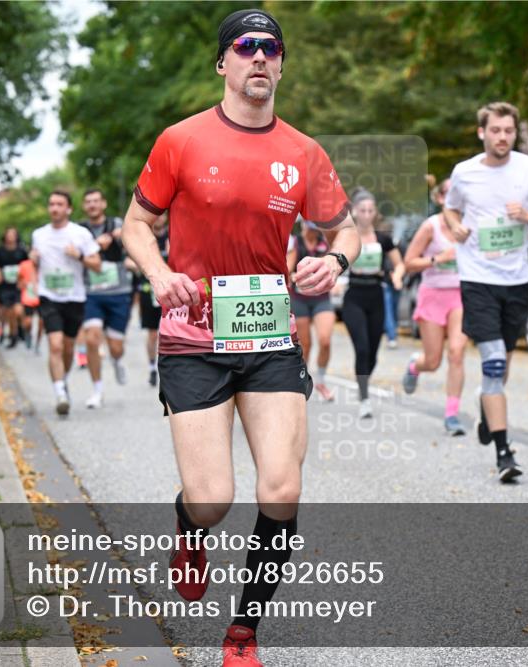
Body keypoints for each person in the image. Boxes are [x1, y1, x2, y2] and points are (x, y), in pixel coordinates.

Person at [121, 10, 358, 666]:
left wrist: (336, 260)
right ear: (223, 62)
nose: (259, 56)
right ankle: (188, 524)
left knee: (281, 489)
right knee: (212, 499)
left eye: (271, 48)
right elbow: (136, 224)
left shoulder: (304, 152)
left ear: (280, 64)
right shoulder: (181, 140)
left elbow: (347, 229)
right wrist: (160, 272)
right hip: (193, 336)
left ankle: (243, 633)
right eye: (245, 46)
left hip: (269, 334)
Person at [442, 101, 528, 482]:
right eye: (495, 130)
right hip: (477, 278)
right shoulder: (464, 173)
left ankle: (487, 406)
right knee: (493, 363)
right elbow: (450, 209)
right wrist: (455, 227)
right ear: (482, 132)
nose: (502, 137)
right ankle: (504, 453)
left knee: (502, 367)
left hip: (516, 280)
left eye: (509, 131)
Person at [401, 179, 469, 435]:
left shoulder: (469, 226)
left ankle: (452, 415)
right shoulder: (430, 227)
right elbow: (409, 262)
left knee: (457, 352)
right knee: (433, 361)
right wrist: (437, 259)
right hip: (433, 296)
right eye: (448, 193)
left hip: (460, 296)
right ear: (440, 199)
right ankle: (415, 366)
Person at [30, 191, 101, 416]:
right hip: (48, 296)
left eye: (60, 204)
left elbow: (97, 264)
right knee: (55, 345)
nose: (55, 208)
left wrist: (78, 255)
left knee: (69, 348)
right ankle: (60, 392)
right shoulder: (38, 235)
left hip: (74, 297)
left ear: (69, 209)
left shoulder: (80, 234)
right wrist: (33, 260)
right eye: (51, 204)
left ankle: (63, 379)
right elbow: (35, 265)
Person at [341, 190, 404, 419]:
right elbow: (333, 259)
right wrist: (334, 281)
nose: (367, 214)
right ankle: (364, 397)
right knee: (362, 348)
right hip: (354, 296)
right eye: (363, 210)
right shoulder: (346, 237)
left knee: (374, 352)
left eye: (370, 210)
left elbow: (400, 264)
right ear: (355, 212)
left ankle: (363, 382)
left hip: (376, 295)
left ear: (375, 212)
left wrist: (397, 276)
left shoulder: (382, 238)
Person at [80, 189, 133, 407]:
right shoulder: (80, 230)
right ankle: (97, 391)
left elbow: (134, 243)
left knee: (116, 347)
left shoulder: (116, 223)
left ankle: (117, 360)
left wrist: (123, 236)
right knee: (92, 339)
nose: (92, 205)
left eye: (96, 201)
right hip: (91, 293)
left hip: (118, 292)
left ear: (104, 204)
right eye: (88, 202)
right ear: (84, 206)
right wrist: (94, 245)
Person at [287, 221, 336, 401]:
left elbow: (333, 266)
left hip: (321, 299)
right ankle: (301, 383)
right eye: (310, 227)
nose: (313, 231)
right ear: (304, 226)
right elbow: (287, 270)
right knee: (305, 345)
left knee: (325, 340)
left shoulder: (324, 243)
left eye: (316, 228)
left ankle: (321, 381)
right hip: (299, 299)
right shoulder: (296, 243)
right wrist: (293, 276)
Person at [135, 213, 170, 387]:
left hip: (170, 290)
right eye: (156, 214)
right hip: (149, 291)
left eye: (162, 214)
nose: (159, 218)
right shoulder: (143, 236)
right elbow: (129, 260)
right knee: (152, 333)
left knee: (169, 332)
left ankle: (169, 368)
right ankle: (151, 368)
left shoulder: (172, 234)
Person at [0, 226, 29, 348]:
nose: (10, 237)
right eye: (8, 234)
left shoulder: (22, 251)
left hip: (18, 286)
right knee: (9, 312)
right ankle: (13, 335)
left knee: (18, 310)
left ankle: (20, 328)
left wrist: (25, 279)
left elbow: (28, 266)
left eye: (13, 234)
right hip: (4, 287)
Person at [17, 255, 43, 353]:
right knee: (28, 322)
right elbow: (18, 280)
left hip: (43, 299)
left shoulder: (46, 264)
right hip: (28, 298)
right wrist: (22, 283)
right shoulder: (24, 265)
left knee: (41, 323)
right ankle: (28, 333)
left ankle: (38, 344)